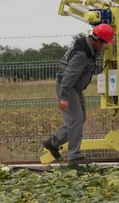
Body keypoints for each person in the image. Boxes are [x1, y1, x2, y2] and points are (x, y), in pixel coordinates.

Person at [42, 23, 114, 165]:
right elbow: (69, 75)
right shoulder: (82, 54)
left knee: (79, 120)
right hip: (68, 87)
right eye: (105, 44)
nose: (106, 47)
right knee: (75, 121)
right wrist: (64, 96)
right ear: (98, 41)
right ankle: (74, 156)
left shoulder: (87, 45)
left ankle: (53, 142)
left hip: (74, 88)